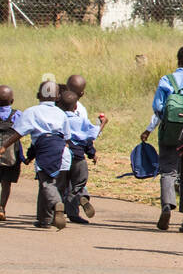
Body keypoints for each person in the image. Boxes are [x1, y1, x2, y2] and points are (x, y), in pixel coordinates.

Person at [141, 44, 183, 232]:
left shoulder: (166, 80)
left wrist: (152, 127)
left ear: (178, 60)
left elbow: (158, 108)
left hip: (169, 133)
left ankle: (167, 205)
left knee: (168, 170)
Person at [0, 81, 71, 229]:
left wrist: (5, 146)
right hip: (61, 149)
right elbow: (67, 137)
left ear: (38, 95)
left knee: (46, 182)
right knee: (46, 182)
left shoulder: (32, 112)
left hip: (45, 148)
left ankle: (57, 203)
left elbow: (18, 133)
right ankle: (44, 219)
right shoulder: (60, 113)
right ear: (58, 97)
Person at [56, 90, 106, 224]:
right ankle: (74, 209)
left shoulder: (57, 119)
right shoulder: (80, 121)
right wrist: (102, 123)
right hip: (78, 158)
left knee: (60, 185)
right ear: (76, 107)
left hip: (60, 156)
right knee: (78, 184)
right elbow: (90, 137)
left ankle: (57, 210)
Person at [0, 85, 23, 222]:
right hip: (10, 157)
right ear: (12, 101)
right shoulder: (17, 115)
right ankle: (1, 207)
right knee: (6, 183)